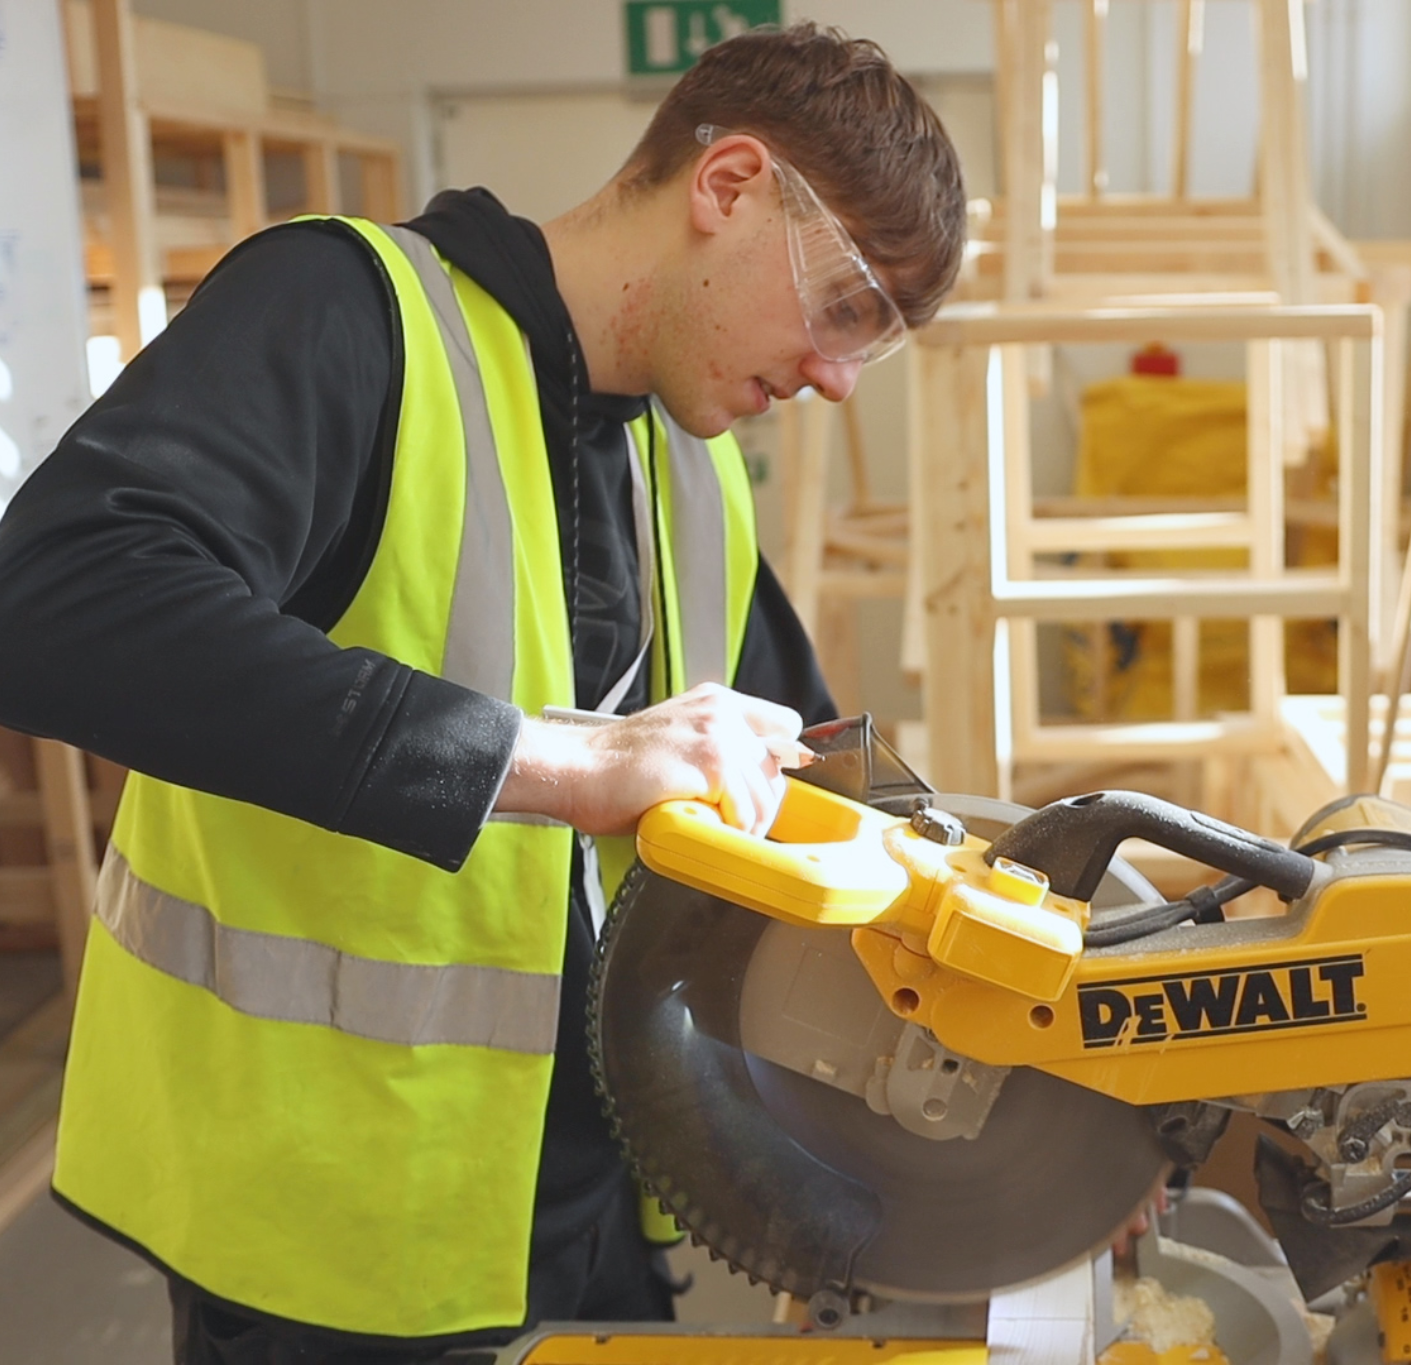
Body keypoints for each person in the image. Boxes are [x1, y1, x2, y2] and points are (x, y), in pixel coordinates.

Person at [0, 22, 965, 1363]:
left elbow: (821, 770)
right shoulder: (347, 314)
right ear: (731, 184)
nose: (838, 376)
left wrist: (1060, 1035)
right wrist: (564, 765)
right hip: (322, 1245)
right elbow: (55, 601)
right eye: (849, 306)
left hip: (589, 1216)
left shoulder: (691, 467)